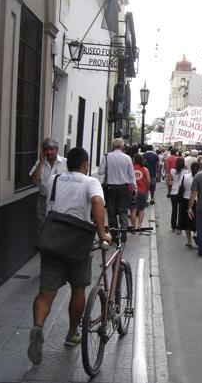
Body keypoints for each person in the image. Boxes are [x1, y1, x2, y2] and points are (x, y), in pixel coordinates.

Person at [28, 148, 112, 365]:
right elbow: (96, 202)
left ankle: (37, 328)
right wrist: (102, 233)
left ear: (68, 164)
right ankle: (72, 332)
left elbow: (39, 184)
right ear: (85, 164)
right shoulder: (90, 182)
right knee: (78, 288)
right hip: (77, 244)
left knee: (46, 292)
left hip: (53, 240)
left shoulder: (54, 179)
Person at [98, 138, 136, 242]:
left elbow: (100, 171)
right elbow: (131, 175)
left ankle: (114, 235)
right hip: (124, 187)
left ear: (113, 146)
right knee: (123, 210)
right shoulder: (127, 158)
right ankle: (123, 232)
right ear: (123, 146)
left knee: (111, 211)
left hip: (110, 187)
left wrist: (109, 169)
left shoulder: (107, 156)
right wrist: (134, 188)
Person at [29, 138, 68, 231]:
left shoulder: (66, 163)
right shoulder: (39, 163)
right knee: (42, 227)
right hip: (43, 199)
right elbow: (34, 180)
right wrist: (41, 162)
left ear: (57, 149)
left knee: (58, 227)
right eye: (46, 149)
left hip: (60, 200)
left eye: (51, 149)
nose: (49, 152)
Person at [178, 162, 199, 248]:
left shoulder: (185, 176)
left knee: (187, 222)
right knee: (196, 220)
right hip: (197, 201)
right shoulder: (200, 177)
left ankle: (189, 241)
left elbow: (180, 186)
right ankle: (197, 235)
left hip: (185, 200)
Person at [130, 154, 151, 228]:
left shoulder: (131, 168)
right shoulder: (145, 169)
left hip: (132, 191)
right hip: (143, 191)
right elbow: (148, 181)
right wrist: (147, 189)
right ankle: (139, 225)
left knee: (133, 209)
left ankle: (133, 225)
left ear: (134, 160)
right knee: (141, 209)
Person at [169, 156, 186, 232]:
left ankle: (173, 225)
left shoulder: (172, 170)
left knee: (174, 209)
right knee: (181, 210)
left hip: (173, 192)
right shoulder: (186, 171)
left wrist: (173, 183)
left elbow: (169, 182)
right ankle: (180, 227)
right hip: (182, 193)